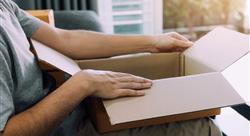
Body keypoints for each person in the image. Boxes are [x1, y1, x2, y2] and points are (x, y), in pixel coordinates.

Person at [0, 0, 222, 136]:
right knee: (205, 129)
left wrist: (152, 42)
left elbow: (65, 39)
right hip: (61, 127)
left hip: (74, 106)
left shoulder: (5, 7)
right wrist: (83, 84)